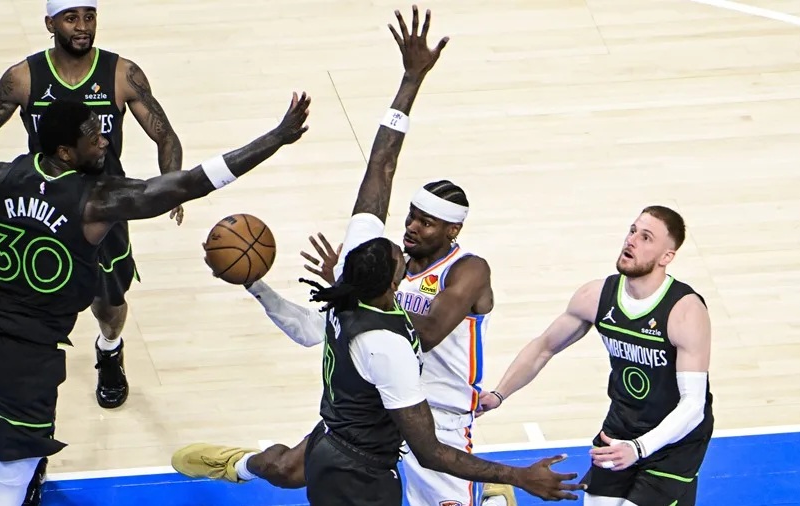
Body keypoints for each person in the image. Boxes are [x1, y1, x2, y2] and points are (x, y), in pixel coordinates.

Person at [170, 6, 561, 505]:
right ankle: (237, 463)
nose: (411, 228)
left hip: (437, 414)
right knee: (289, 470)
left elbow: (427, 332)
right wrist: (409, 79)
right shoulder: (379, 276)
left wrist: (344, 290)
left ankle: (486, 492)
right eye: (411, 216)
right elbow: (380, 166)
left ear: (454, 229)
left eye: (426, 222)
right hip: (376, 409)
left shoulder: (466, 270)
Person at [0, 95, 310, 506]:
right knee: (5, 493)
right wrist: (275, 138)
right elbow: (189, 184)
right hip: (24, 362)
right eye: (94, 137)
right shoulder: (98, 200)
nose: (104, 143)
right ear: (65, 152)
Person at [0, 0, 184, 411]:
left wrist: (170, 184)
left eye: (89, 17)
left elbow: (165, 135)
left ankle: (109, 348)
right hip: (42, 200)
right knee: (35, 304)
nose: (83, 26)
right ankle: (31, 417)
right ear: (50, 23)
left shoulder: (122, 74)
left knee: (109, 302)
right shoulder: (23, 78)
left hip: (103, 205)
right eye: (72, 18)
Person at [477, 205, 714, 506]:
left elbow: (693, 405)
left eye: (646, 238)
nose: (631, 241)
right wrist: (499, 394)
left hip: (673, 442)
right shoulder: (596, 296)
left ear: (666, 257)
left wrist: (639, 448)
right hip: (620, 428)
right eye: (632, 231)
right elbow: (544, 347)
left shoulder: (685, 311)